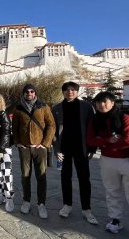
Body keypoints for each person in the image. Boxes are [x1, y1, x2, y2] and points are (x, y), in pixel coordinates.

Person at [52, 81, 98, 224]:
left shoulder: (86, 107)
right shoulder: (57, 108)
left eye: (73, 90)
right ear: (63, 92)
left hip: (82, 148)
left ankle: (86, 208)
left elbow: (92, 128)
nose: (70, 92)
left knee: (84, 178)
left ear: (77, 91)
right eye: (66, 90)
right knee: (65, 177)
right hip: (64, 149)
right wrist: (56, 149)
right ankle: (67, 205)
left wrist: (92, 148)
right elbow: (53, 131)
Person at [87, 92, 129, 234]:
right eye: (98, 102)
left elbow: (128, 139)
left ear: (112, 102)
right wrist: (108, 141)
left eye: (104, 101)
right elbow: (90, 139)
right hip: (107, 160)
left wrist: (104, 142)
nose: (101, 105)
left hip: (126, 160)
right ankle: (115, 220)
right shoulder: (95, 120)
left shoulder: (124, 118)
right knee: (112, 191)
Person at [12, 83, 55, 219]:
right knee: (25, 176)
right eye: (27, 92)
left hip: (39, 148)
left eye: (31, 92)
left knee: (41, 176)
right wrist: (18, 142)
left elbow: (51, 125)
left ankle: (41, 204)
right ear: (23, 94)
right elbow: (15, 127)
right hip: (24, 148)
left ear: (35, 93)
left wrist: (45, 144)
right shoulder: (18, 108)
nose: (29, 94)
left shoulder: (43, 107)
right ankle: (26, 201)